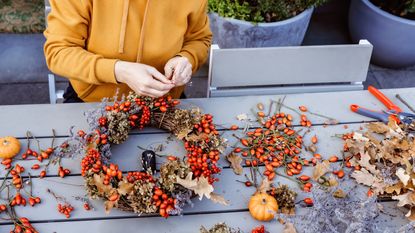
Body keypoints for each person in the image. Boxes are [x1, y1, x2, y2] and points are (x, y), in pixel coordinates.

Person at [44, 0, 212, 103]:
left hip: (165, 101)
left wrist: (186, 58)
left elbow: (199, 39)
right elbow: (59, 52)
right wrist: (119, 71)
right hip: (92, 101)